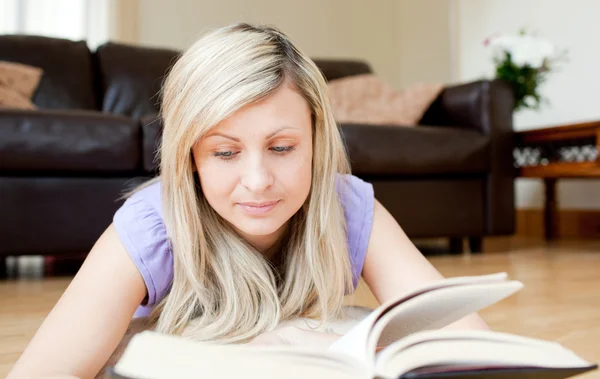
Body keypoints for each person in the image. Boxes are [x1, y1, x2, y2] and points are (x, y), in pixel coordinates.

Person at [7, 23, 489, 379]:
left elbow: (465, 337)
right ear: (189, 157)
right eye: (224, 152)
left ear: (318, 141)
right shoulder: (154, 225)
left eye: (282, 148)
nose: (257, 181)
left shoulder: (347, 206)